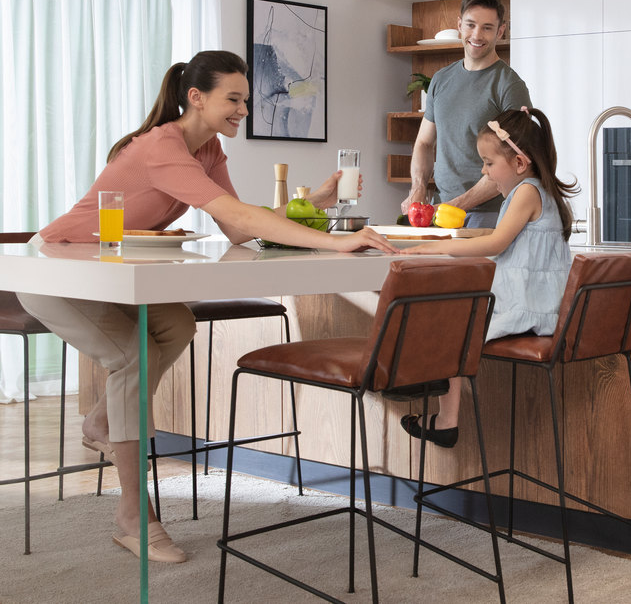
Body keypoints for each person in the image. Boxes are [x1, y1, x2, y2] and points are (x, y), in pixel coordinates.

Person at [16, 50, 400, 563]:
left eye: (245, 99)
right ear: (196, 97)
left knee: (177, 322)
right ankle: (133, 516)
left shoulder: (210, 151)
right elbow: (237, 215)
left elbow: (238, 226)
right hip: (56, 270)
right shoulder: (161, 145)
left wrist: (321, 204)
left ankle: (102, 423)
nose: (243, 109)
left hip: (103, 272)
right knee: (131, 355)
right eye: (233, 99)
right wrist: (336, 243)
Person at [400, 107, 577, 448]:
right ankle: (432, 396)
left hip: (528, 308)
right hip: (539, 304)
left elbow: (497, 242)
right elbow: (505, 240)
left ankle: (442, 415)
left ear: (520, 163)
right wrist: (456, 240)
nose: (484, 171)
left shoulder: (526, 192)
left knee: (450, 321)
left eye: (489, 162)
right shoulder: (535, 190)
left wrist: (435, 251)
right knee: (452, 316)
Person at [400, 0, 532, 229]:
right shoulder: (440, 80)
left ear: (500, 31)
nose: (477, 35)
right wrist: (418, 189)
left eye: (487, 28)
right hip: (441, 213)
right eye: (471, 25)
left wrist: (458, 204)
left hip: (492, 215)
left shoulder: (509, 85)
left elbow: (515, 161)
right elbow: (424, 143)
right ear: (459, 25)